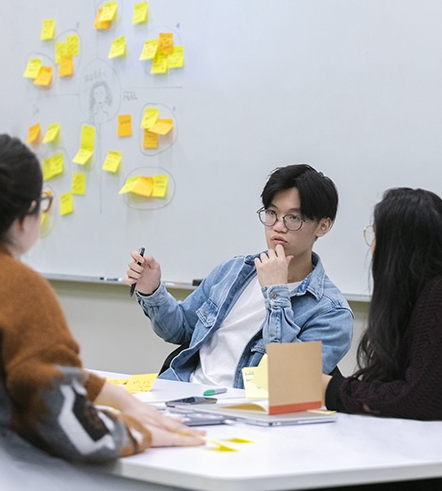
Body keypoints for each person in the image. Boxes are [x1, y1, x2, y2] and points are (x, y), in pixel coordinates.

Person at [0, 134, 204, 464]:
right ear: (28, 214)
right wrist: (140, 431)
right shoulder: (17, 289)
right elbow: (74, 430)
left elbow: (30, 372)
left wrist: (114, 396)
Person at [126, 164, 354, 388]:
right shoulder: (233, 271)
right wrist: (152, 289)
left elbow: (288, 382)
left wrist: (276, 294)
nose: (278, 227)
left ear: (323, 226)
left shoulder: (332, 312)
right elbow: (181, 329)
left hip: (244, 413)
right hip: (182, 391)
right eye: (272, 213)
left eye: (293, 218)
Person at [323, 187, 442, 421]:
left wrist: (332, 389)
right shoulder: (415, 299)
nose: (372, 247)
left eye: (377, 235)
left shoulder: (437, 296)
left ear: (397, 248)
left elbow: (415, 398)